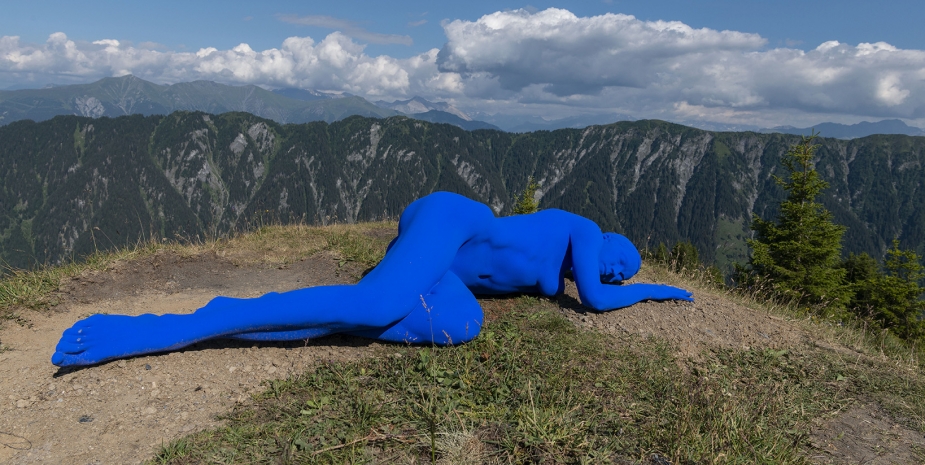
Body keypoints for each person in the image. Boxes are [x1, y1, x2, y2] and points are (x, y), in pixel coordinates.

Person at [52, 192, 693, 367]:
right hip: (454, 218)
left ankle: (277, 322)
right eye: (620, 258)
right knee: (379, 300)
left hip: (441, 271)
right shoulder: (580, 228)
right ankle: (178, 326)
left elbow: (592, 290)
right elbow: (602, 304)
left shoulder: (565, 266)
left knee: (461, 325)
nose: (612, 270)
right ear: (607, 237)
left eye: (621, 270)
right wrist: (656, 289)